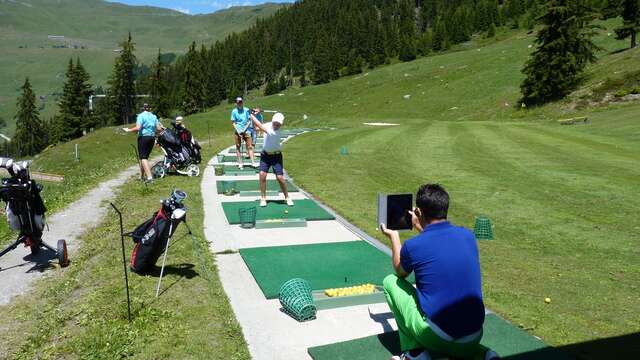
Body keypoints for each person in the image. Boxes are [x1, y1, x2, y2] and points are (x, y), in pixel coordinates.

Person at [380, 184, 498, 360]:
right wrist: (422, 227)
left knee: (390, 282)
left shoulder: (414, 246)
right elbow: (439, 244)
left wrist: (394, 237)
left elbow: (399, 270)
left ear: (418, 212)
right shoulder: (468, 235)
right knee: (460, 340)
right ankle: (483, 355)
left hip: (435, 336)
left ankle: (414, 353)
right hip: (474, 336)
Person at [249, 110, 294, 208]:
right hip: (265, 155)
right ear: (273, 121)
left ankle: (287, 197)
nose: (276, 125)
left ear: (281, 125)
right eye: (275, 123)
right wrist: (256, 116)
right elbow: (257, 128)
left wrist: (252, 115)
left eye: (278, 124)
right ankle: (263, 198)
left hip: (276, 156)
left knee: (280, 178)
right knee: (262, 175)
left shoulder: (276, 132)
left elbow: (260, 126)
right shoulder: (269, 124)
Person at [123, 103, 163, 182]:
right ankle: (141, 176)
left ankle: (150, 178)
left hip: (143, 138)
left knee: (143, 158)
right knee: (144, 158)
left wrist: (129, 130)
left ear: (142, 108)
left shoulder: (140, 116)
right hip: (152, 138)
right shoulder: (154, 116)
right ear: (150, 108)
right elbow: (159, 129)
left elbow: (138, 128)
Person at [230, 97, 257, 169]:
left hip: (246, 131)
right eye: (238, 102)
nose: (240, 103)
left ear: (242, 102)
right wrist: (238, 131)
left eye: (241, 102)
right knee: (238, 147)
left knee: (250, 147)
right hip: (238, 131)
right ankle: (240, 163)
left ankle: (253, 162)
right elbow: (233, 122)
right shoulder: (234, 111)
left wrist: (244, 130)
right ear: (236, 103)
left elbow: (249, 121)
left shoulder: (246, 110)